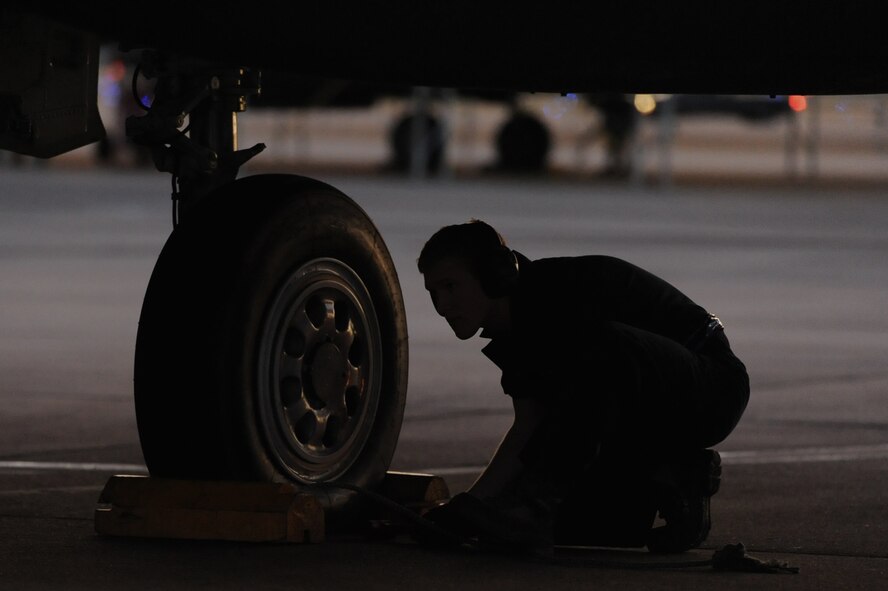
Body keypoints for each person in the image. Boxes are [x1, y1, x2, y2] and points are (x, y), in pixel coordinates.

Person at [417, 220, 749, 554]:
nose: (442, 306)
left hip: (713, 388)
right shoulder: (512, 329)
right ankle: (676, 473)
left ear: (492, 275)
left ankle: (544, 503)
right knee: (580, 529)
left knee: (600, 347)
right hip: (645, 409)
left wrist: (534, 499)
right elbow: (527, 428)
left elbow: (592, 391)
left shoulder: (561, 292)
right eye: (434, 293)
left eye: (450, 286)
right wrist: (469, 508)